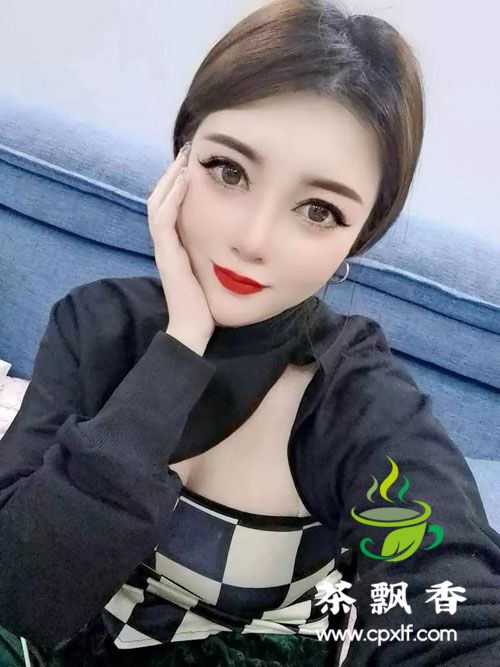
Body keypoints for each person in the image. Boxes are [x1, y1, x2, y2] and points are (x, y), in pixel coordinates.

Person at [0, 0, 499, 665]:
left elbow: (454, 604)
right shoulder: (95, 324)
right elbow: (21, 591)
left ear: (358, 238)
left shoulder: (355, 396)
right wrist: (181, 345)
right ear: (181, 158)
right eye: (228, 171)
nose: (253, 239)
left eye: (318, 210)